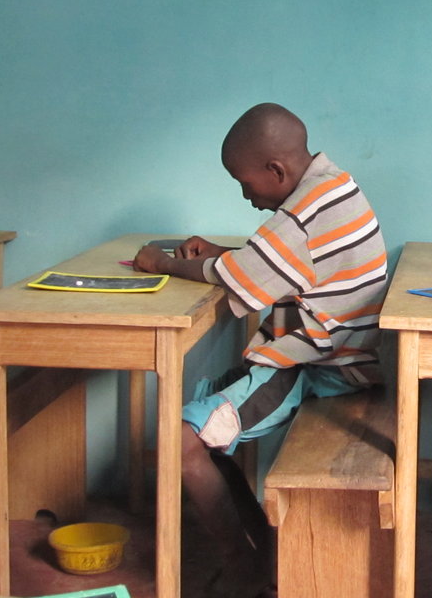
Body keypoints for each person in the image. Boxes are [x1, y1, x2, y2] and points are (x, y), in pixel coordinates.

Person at [134, 102, 388, 598]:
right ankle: (261, 550)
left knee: (180, 441)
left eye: (246, 184)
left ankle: (243, 568)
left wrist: (161, 264)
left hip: (319, 367)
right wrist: (222, 255)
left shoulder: (297, 218)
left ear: (277, 170)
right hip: (339, 354)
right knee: (206, 433)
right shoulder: (333, 187)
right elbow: (275, 263)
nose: (246, 195)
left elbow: (244, 281)